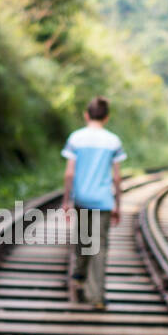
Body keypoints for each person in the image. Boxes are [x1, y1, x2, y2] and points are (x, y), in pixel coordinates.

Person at [62, 96, 126, 308]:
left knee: (82, 240)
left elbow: (69, 173)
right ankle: (96, 296)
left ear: (86, 115)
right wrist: (118, 204)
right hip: (103, 200)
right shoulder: (113, 141)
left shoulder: (76, 139)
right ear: (107, 117)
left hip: (81, 198)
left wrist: (66, 200)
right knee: (98, 247)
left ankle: (78, 277)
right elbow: (116, 177)